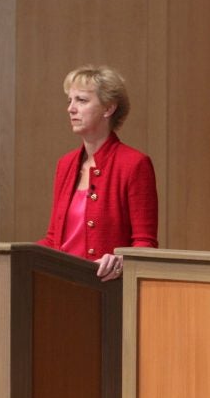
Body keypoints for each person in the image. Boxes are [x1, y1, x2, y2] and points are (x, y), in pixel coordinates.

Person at [38, 65, 158, 281]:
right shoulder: (65, 164)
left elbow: (145, 243)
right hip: (59, 284)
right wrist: (18, 256)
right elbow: (53, 238)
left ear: (108, 108)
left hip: (105, 288)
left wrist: (120, 261)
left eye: (81, 100)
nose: (71, 108)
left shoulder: (134, 164)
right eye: (70, 101)